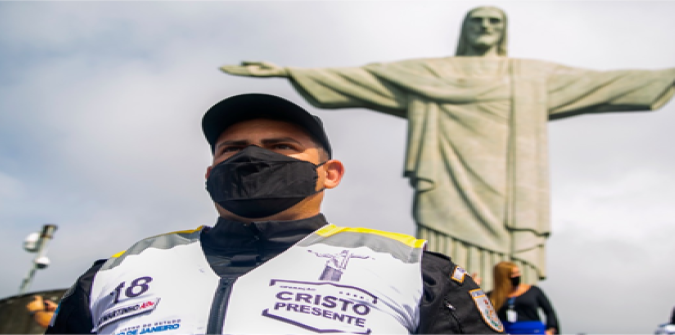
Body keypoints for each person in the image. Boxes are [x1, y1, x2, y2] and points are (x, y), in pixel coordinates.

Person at [219, 6, 675, 289]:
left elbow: (604, 83)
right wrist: (289, 71)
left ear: (503, 31)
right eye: (476, 19)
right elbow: (365, 79)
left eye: (493, 21)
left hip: (509, 176)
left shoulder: (531, 75)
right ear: (465, 30)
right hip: (448, 172)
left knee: (509, 251)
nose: (484, 26)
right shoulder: (432, 72)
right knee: (447, 246)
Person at [45, 93, 505, 334]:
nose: (252, 158)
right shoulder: (115, 273)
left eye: (280, 147)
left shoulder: (415, 271)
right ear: (210, 172)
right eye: (234, 149)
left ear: (329, 173)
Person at [488, 262, 558, 335]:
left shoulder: (533, 291)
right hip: (507, 331)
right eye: (513, 274)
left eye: (518, 272)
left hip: (534, 331)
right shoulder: (491, 296)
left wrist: (551, 330)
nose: (518, 275)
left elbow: (549, 311)